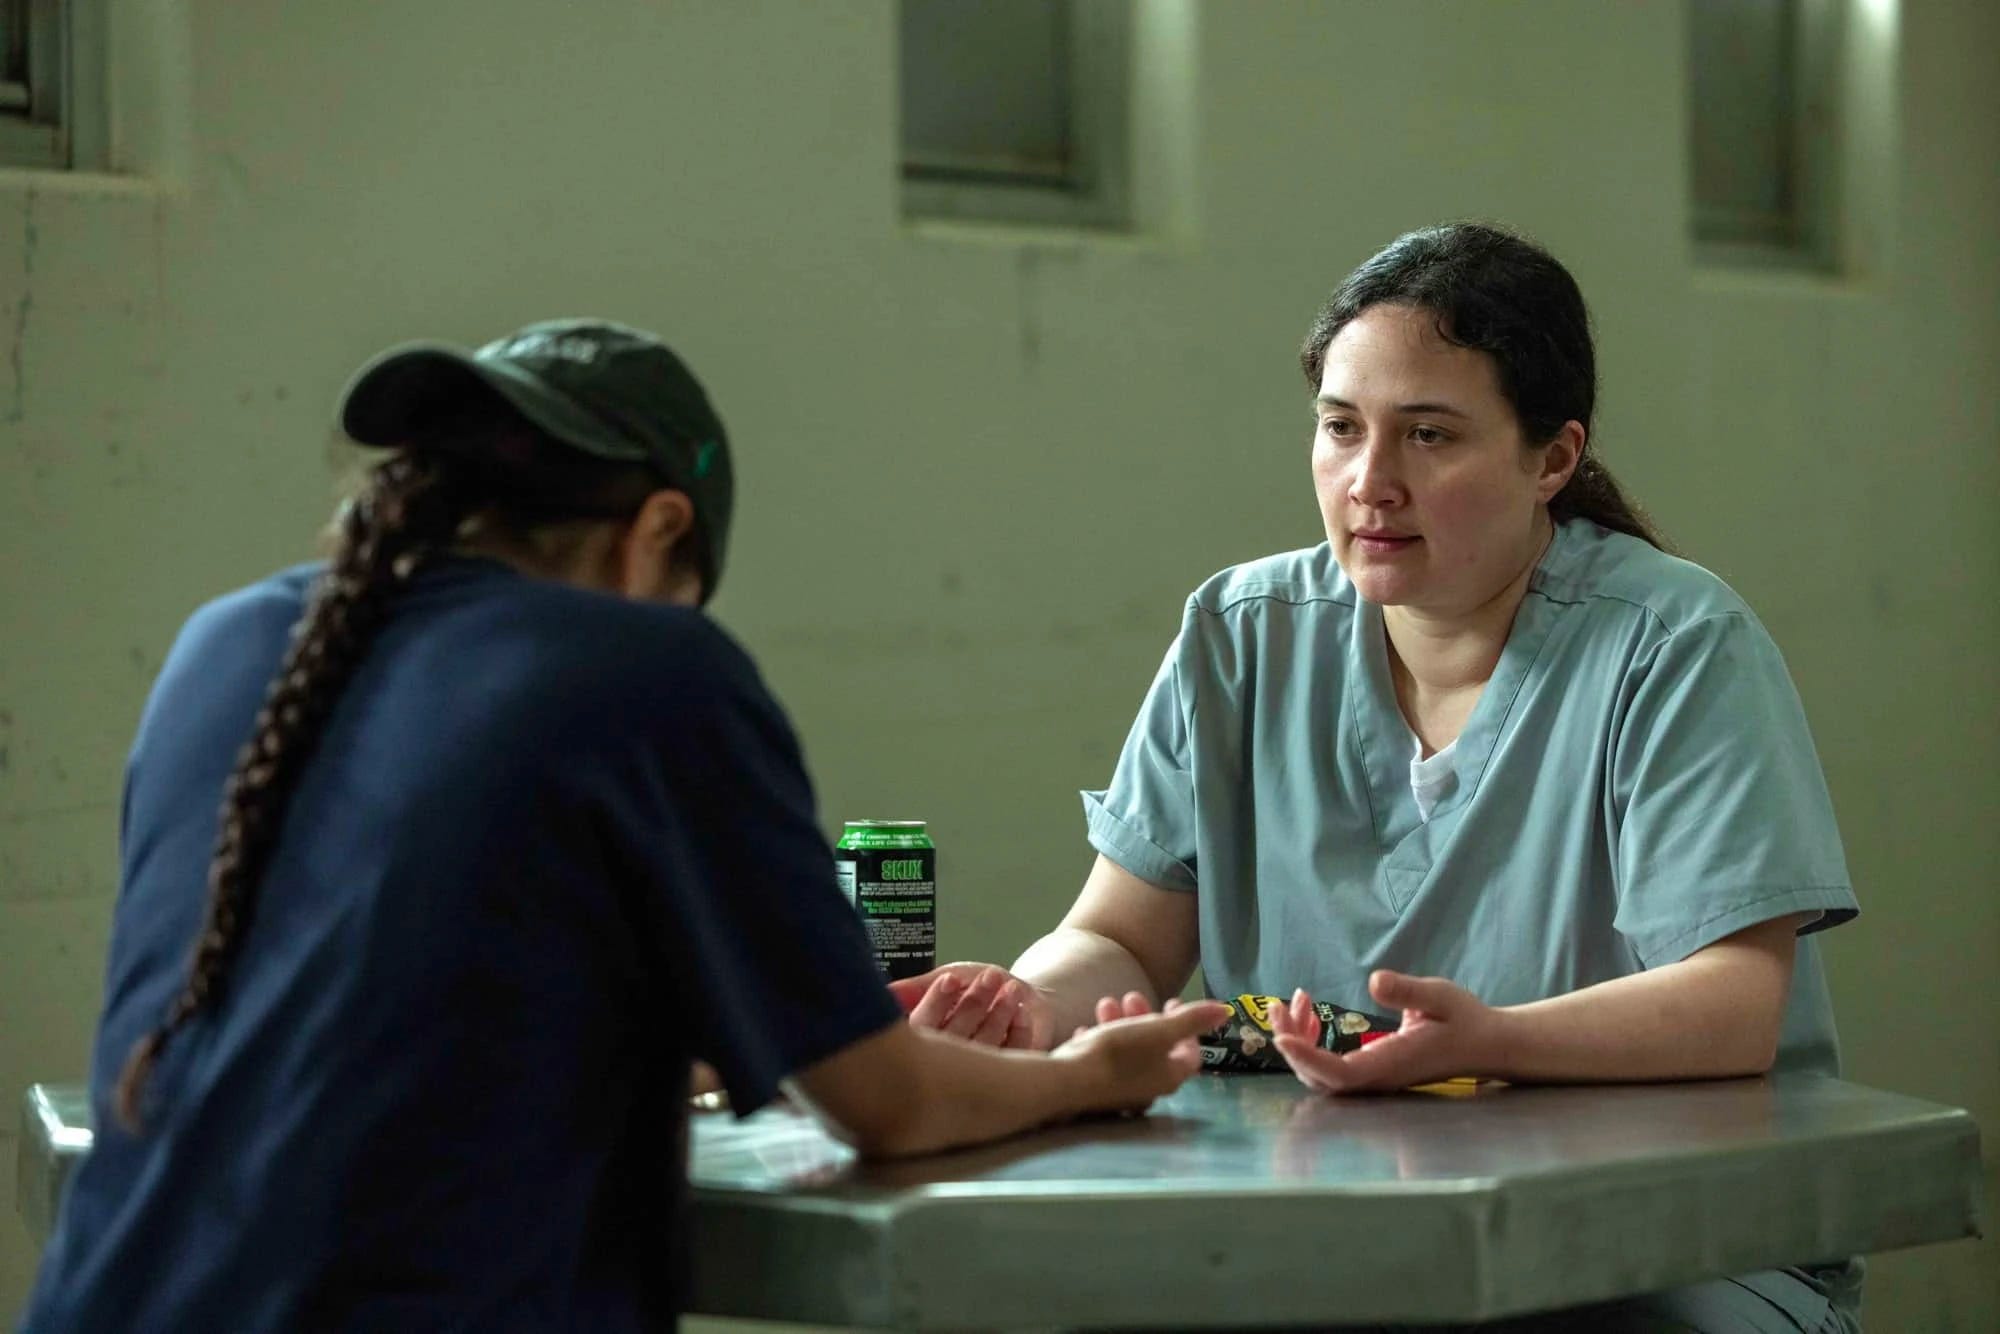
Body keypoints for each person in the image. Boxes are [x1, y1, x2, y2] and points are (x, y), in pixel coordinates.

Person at [22, 319, 1227, 1333]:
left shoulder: (225, 645)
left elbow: (407, 1010)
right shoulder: (648, 671)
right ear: (656, 532)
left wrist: (764, 1027)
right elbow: (891, 1107)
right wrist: (1083, 1077)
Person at [896, 225, 1864, 1333]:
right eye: (1340, 428)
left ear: (1552, 459)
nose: (1370, 482)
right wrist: (1028, 1007)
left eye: (1429, 435)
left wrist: (1490, 1042)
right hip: (1336, 1242)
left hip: (1666, 1245)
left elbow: (1730, 1006)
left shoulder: (1671, 644)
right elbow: (1118, 937)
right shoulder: (1242, 635)